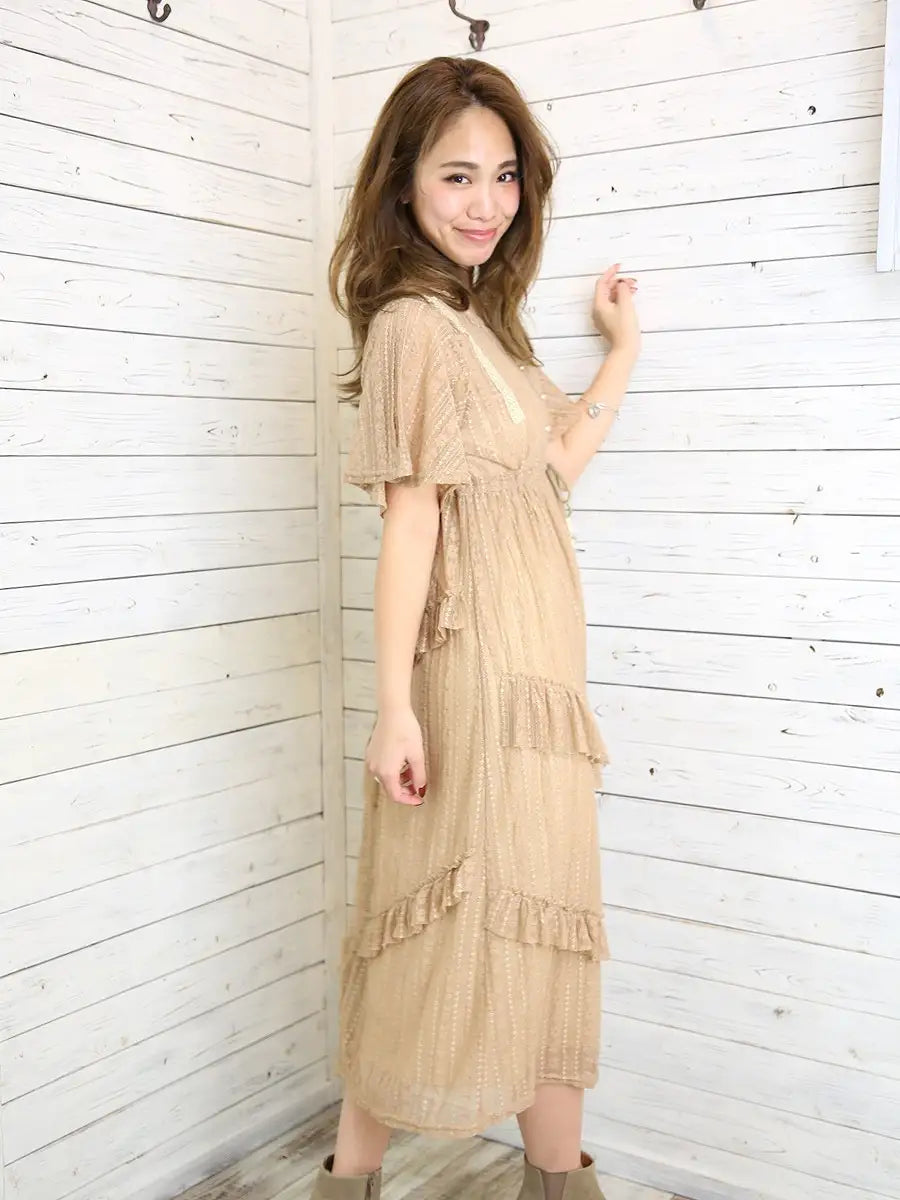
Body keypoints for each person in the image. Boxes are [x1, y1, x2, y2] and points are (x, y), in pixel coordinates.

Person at [313, 55, 640, 1200]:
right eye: (457, 176)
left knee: (537, 926)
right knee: (443, 928)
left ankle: (551, 1178)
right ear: (404, 182)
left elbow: (547, 473)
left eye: (504, 176)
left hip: (539, 675)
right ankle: (354, 1176)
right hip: (475, 673)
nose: (486, 203)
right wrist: (394, 709)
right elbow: (410, 525)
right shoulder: (413, 324)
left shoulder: (483, 323)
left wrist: (623, 353)